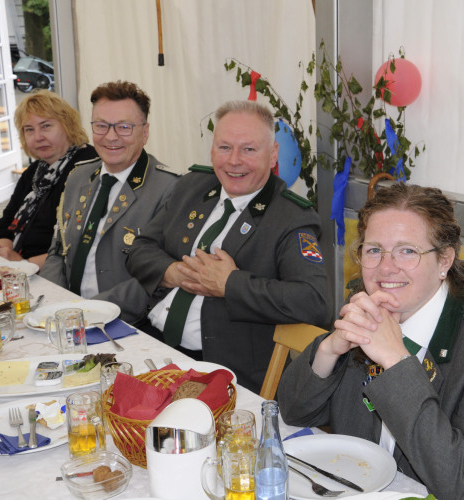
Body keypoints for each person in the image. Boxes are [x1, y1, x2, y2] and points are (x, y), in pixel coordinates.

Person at [278, 183, 464, 499]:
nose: (385, 268)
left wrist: (397, 361)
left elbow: (455, 479)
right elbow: (294, 413)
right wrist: (328, 350)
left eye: (407, 251)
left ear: (444, 260)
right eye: (374, 249)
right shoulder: (368, 308)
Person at [127, 100, 331, 392]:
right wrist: (172, 271)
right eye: (224, 147)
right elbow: (140, 248)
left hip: (226, 373)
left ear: (273, 154)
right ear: (211, 150)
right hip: (154, 349)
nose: (234, 160)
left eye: (248, 149)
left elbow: (314, 302)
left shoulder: (291, 217)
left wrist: (230, 284)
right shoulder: (191, 187)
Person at [40, 81, 179, 324]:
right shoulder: (78, 176)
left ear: (144, 133)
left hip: (127, 325)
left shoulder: (168, 189)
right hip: (66, 318)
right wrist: (57, 303)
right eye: (101, 126)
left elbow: (159, 277)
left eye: (124, 127)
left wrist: (92, 313)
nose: (111, 137)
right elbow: (57, 251)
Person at [0, 90, 99, 268]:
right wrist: (4, 251)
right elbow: (4, 225)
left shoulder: (88, 169)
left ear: (68, 125)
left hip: (57, 274)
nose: (38, 137)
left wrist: (25, 264)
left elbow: (80, 247)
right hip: (21, 267)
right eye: (29, 129)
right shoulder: (34, 171)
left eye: (46, 126)